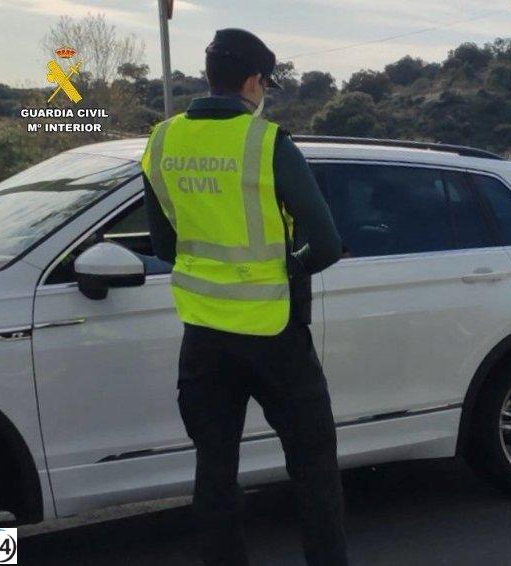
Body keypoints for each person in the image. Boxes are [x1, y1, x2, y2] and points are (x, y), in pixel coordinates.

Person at [141, 28, 348, 566]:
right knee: (314, 471)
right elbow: (325, 244)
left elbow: (165, 244)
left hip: (204, 337)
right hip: (273, 335)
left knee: (214, 471)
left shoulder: (162, 141)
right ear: (254, 82)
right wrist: (288, 269)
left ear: (210, 76)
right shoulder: (266, 143)